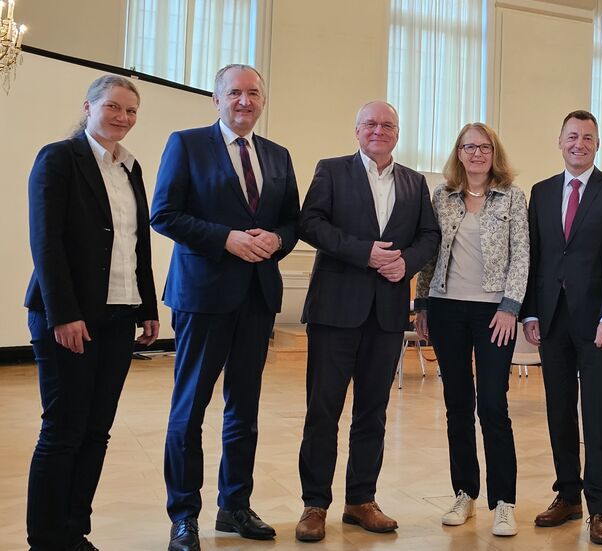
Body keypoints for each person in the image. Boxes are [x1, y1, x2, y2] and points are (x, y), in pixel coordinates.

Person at [151, 64, 300, 551]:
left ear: (263, 100)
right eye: (234, 92)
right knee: (189, 409)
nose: (244, 101)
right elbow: (164, 213)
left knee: (244, 409)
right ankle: (184, 514)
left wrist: (277, 239)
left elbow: (292, 223)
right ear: (216, 99)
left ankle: (234, 505)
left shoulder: (278, 156)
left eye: (253, 93)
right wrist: (226, 239)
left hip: (257, 299)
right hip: (203, 296)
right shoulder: (187, 143)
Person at [24, 74, 159, 551]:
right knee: (64, 429)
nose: (123, 118)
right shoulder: (60, 157)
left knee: (97, 431)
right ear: (89, 107)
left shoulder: (130, 167)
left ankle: (73, 532)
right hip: (68, 316)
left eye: (132, 111)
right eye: (114, 107)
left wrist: (147, 305)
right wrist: (64, 313)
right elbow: (46, 242)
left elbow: (135, 244)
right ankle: (46, 538)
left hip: (119, 316)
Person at [294, 101, 439, 542]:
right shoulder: (332, 170)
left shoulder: (415, 182)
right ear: (357, 130)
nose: (380, 130)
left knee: (373, 411)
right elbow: (310, 223)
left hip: (387, 311)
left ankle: (361, 499)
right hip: (335, 309)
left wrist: (407, 264)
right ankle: (315, 504)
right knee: (323, 411)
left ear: (398, 133)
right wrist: (365, 253)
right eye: (371, 124)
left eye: (388, 125)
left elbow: (430, 236)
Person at [521, 110, 602, 545]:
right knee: (558, 409)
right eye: (572, 136)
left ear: (597, 144)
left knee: (598, 414)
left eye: (587, 137)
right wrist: (530, 312)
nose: (579, 143)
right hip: (551, 319)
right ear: (560, 141)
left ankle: (600, 507)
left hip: (597, 321)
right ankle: (567, 494)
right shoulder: (542, 191)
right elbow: (533, 256)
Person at [413, 122, 529, 537]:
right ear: (458, 153)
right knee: (457, 404)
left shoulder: (513, 196)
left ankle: (504, 502)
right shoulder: (441, 196)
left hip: (494, 313)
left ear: (494, 153)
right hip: (446, 310)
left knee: (493, 406)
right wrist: (422, 304)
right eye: (469, 147)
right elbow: (429, 254)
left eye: (484, 147)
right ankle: (464, 492)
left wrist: (510, 308)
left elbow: (522, 256)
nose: (477, 153)